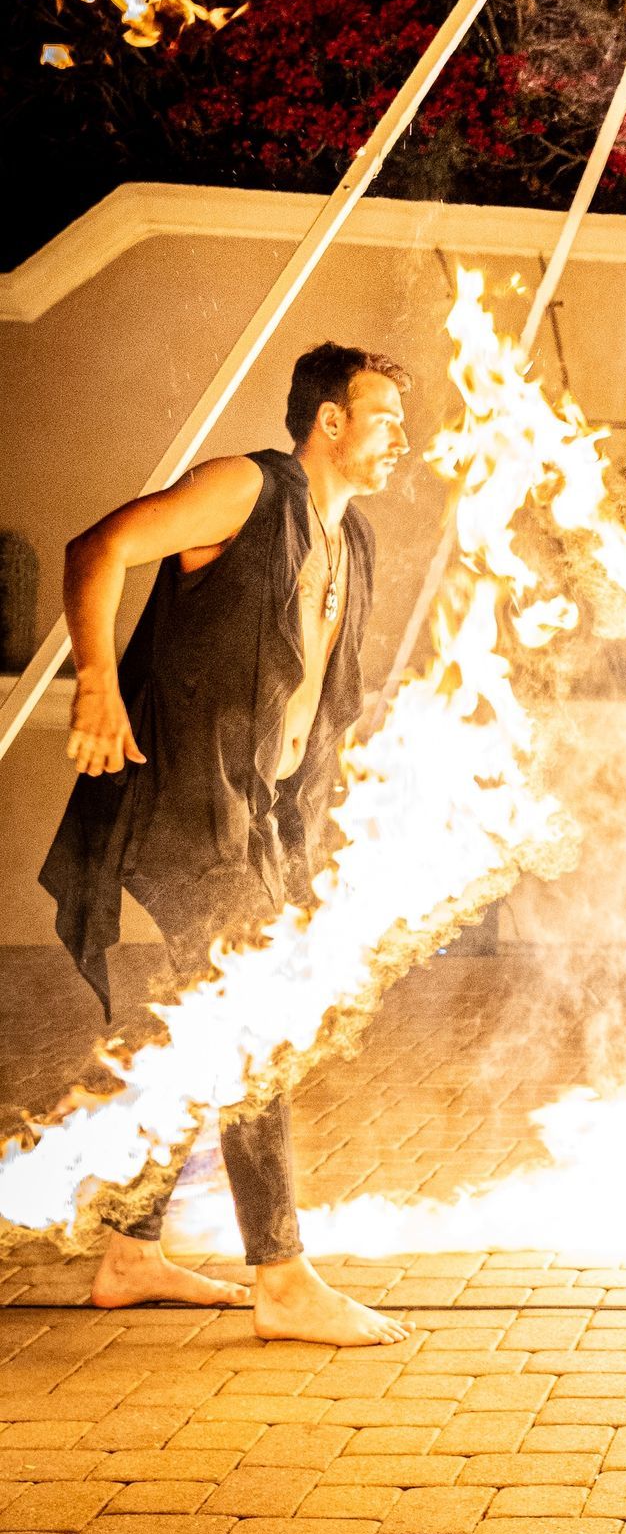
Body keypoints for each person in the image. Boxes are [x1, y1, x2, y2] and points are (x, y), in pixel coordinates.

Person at [40, 342, 413, 1345]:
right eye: (383, 417)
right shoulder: (247, 490)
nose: (400, 438)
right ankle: (281, 1277)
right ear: (330, 420)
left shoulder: (353, 538)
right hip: (181, 809)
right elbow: (97, 547)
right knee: (256, 1021)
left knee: (199, 1030)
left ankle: (129, 1252)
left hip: (252, 824)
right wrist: (97, 683)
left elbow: (311, 705)